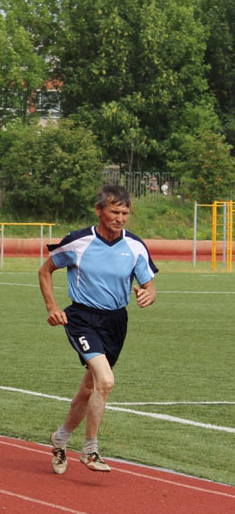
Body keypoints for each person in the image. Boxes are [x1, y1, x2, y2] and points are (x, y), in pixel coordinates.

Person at [39, 185, 157, 474]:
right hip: (82, 318)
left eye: (125, 213)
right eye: (115, 212)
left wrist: (148, 293)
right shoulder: (78, 242)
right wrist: (53, 307)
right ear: (99, 210)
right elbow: (45, 270)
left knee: (90, 388)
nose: (120, 218)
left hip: (116, 322)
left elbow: (148, 284)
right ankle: (90, 450)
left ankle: (61, 437)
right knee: (105, 380)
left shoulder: (135, 246)